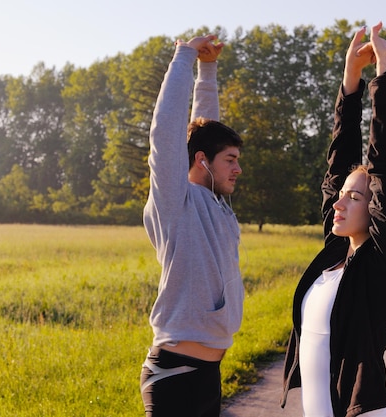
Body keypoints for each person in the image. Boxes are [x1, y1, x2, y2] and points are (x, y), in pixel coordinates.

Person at [281, 22, 386, 417]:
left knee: (376, 174)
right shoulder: (334, 254)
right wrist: (351, 79)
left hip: (363, 413)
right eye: (341, 196)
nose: (338, 204)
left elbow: (385, 166)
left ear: (377, 208)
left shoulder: (383, 265)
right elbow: (338, 164)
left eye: (355, 197)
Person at [140, 34, 244, 417]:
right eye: (230, 159)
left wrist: (208, 69)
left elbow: (205, 131)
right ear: (202, 162)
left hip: (208, 373)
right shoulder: (175, 201)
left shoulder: (216, 202)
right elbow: (166, 134)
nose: (237, 168)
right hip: (173, 375)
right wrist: (184, 57)